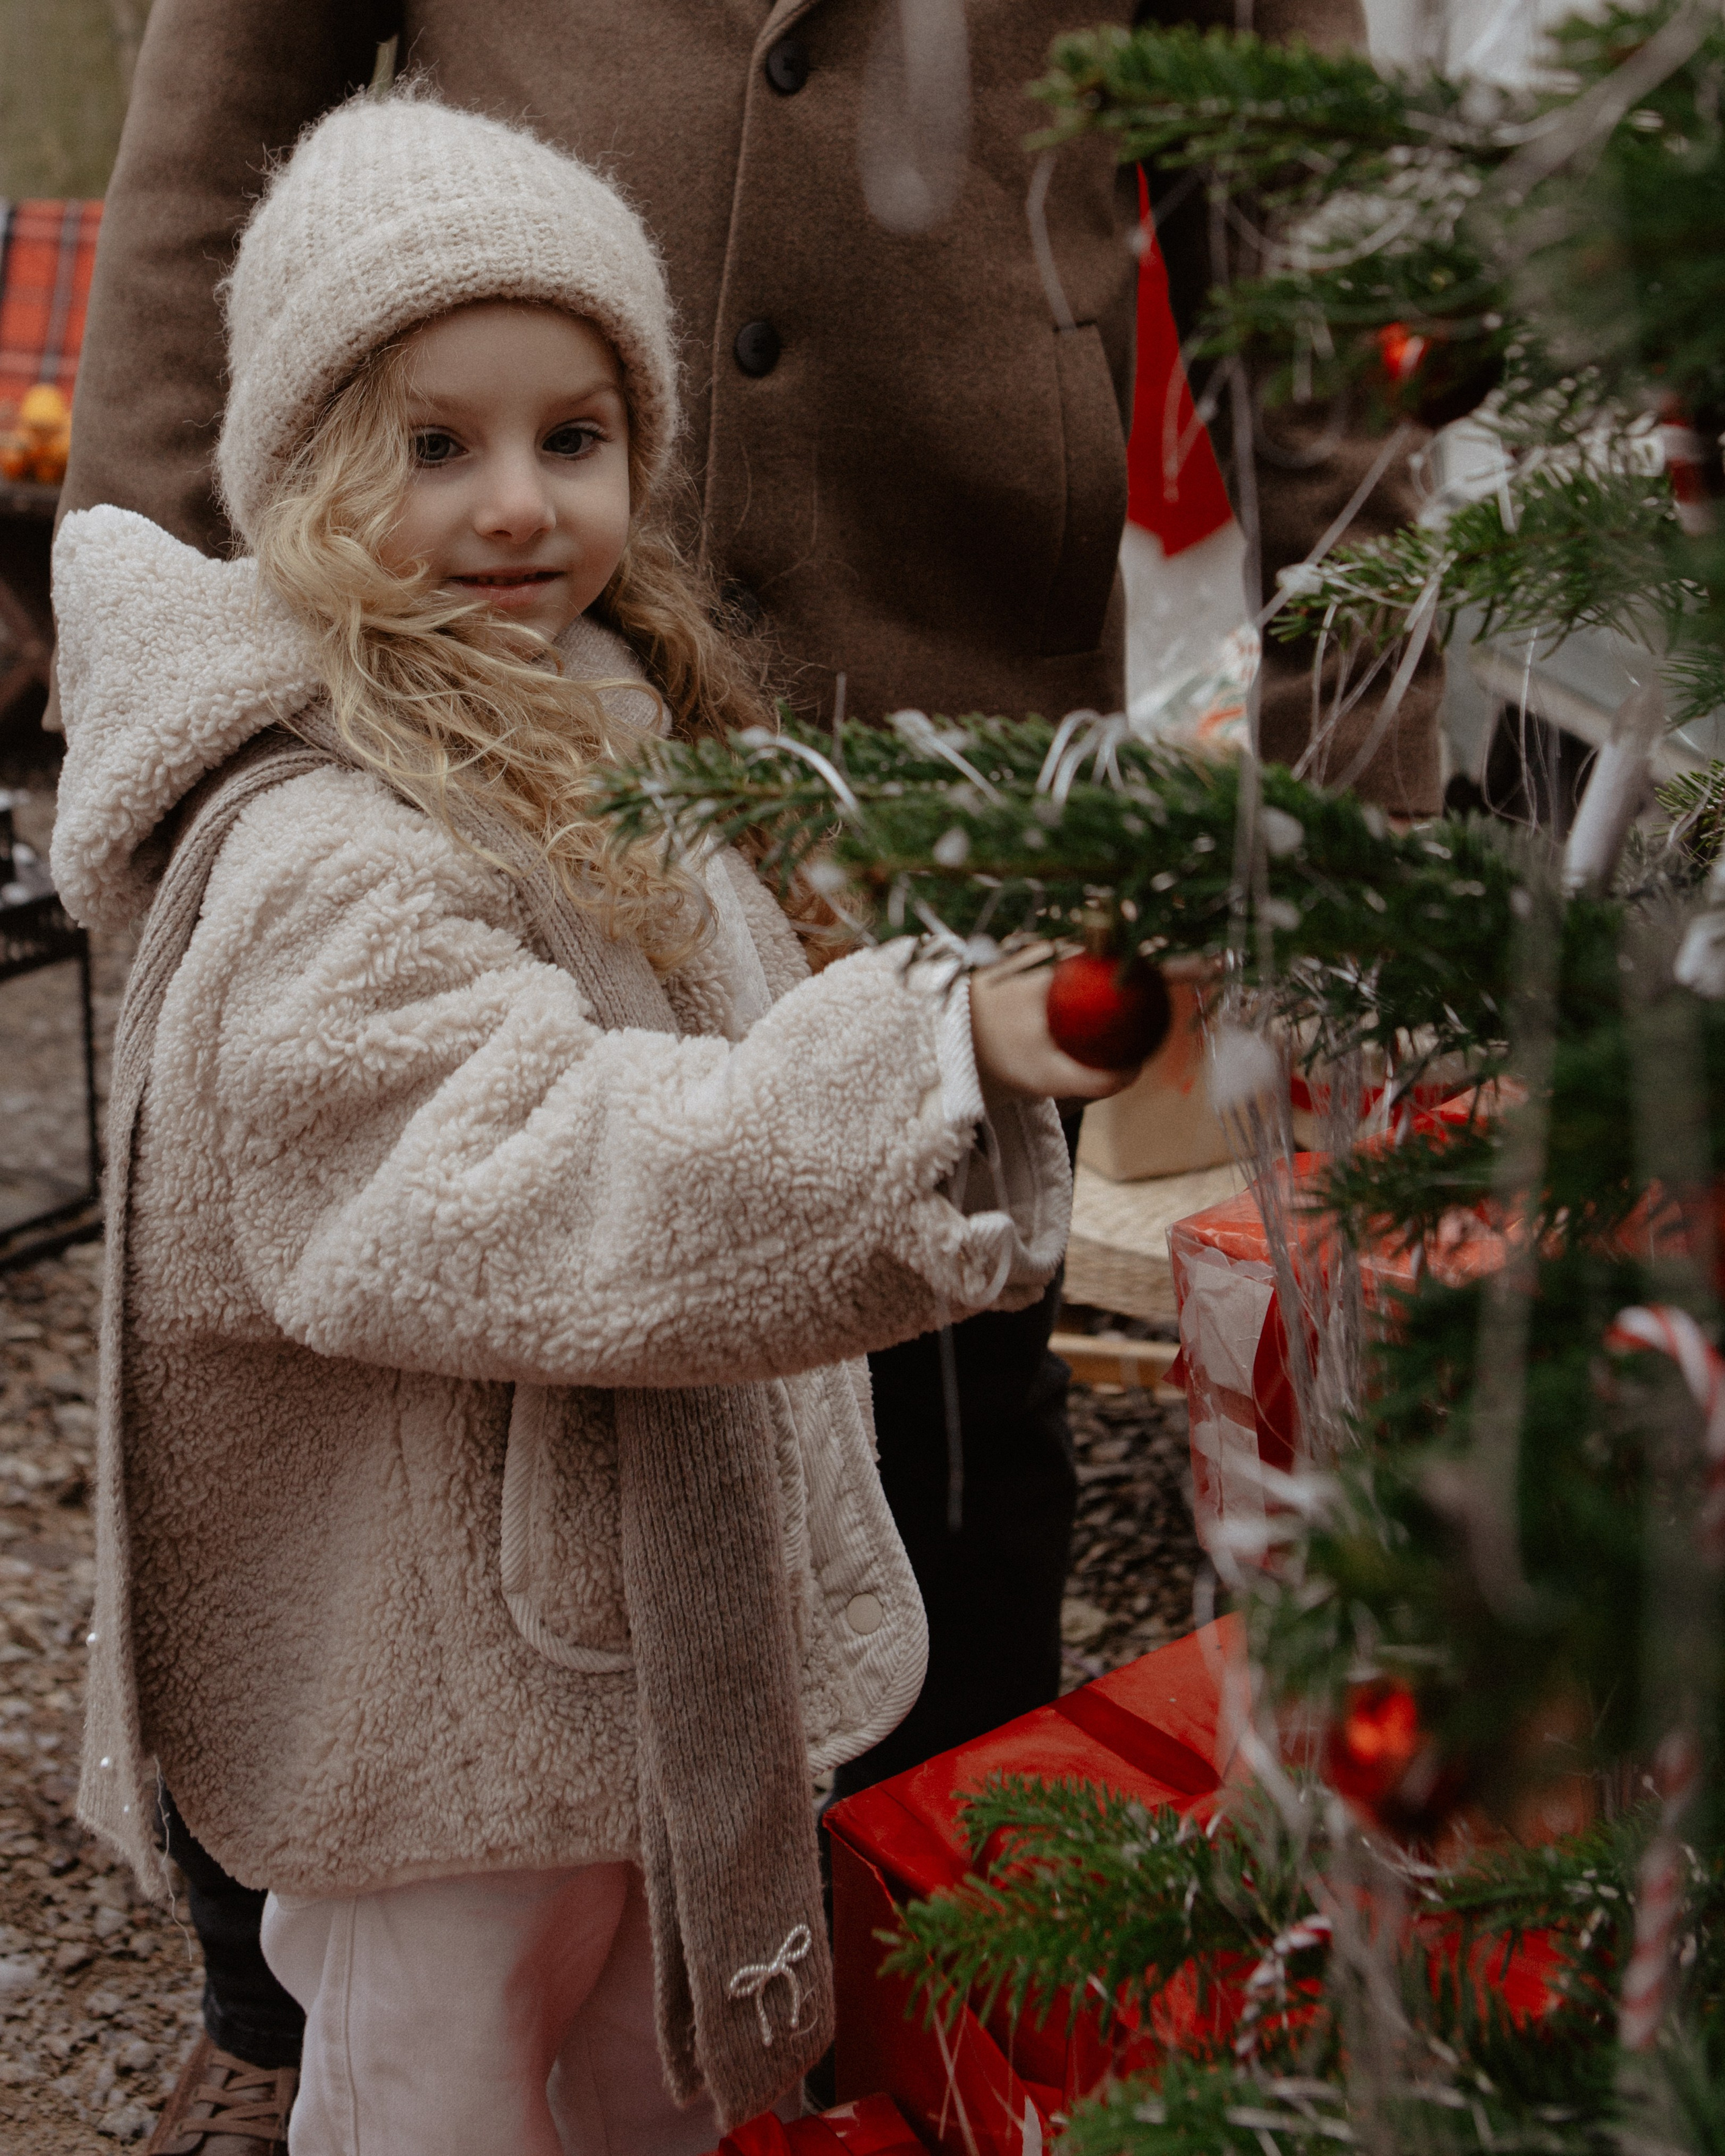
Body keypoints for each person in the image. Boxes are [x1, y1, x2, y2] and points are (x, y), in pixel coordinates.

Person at [55, 7, 1436, 2146]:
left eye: (569, 443)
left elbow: (1294, 181)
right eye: (451, 448)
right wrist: (174, 705)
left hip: (933, 679)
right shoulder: (322, 857)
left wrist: (1366, 744)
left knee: (911, 1505)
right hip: (417, 706)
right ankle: (333, 2014)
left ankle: (874, 2037)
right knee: (422, 1569)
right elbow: (212, 133)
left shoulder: (652, 696)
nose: (518, 495)